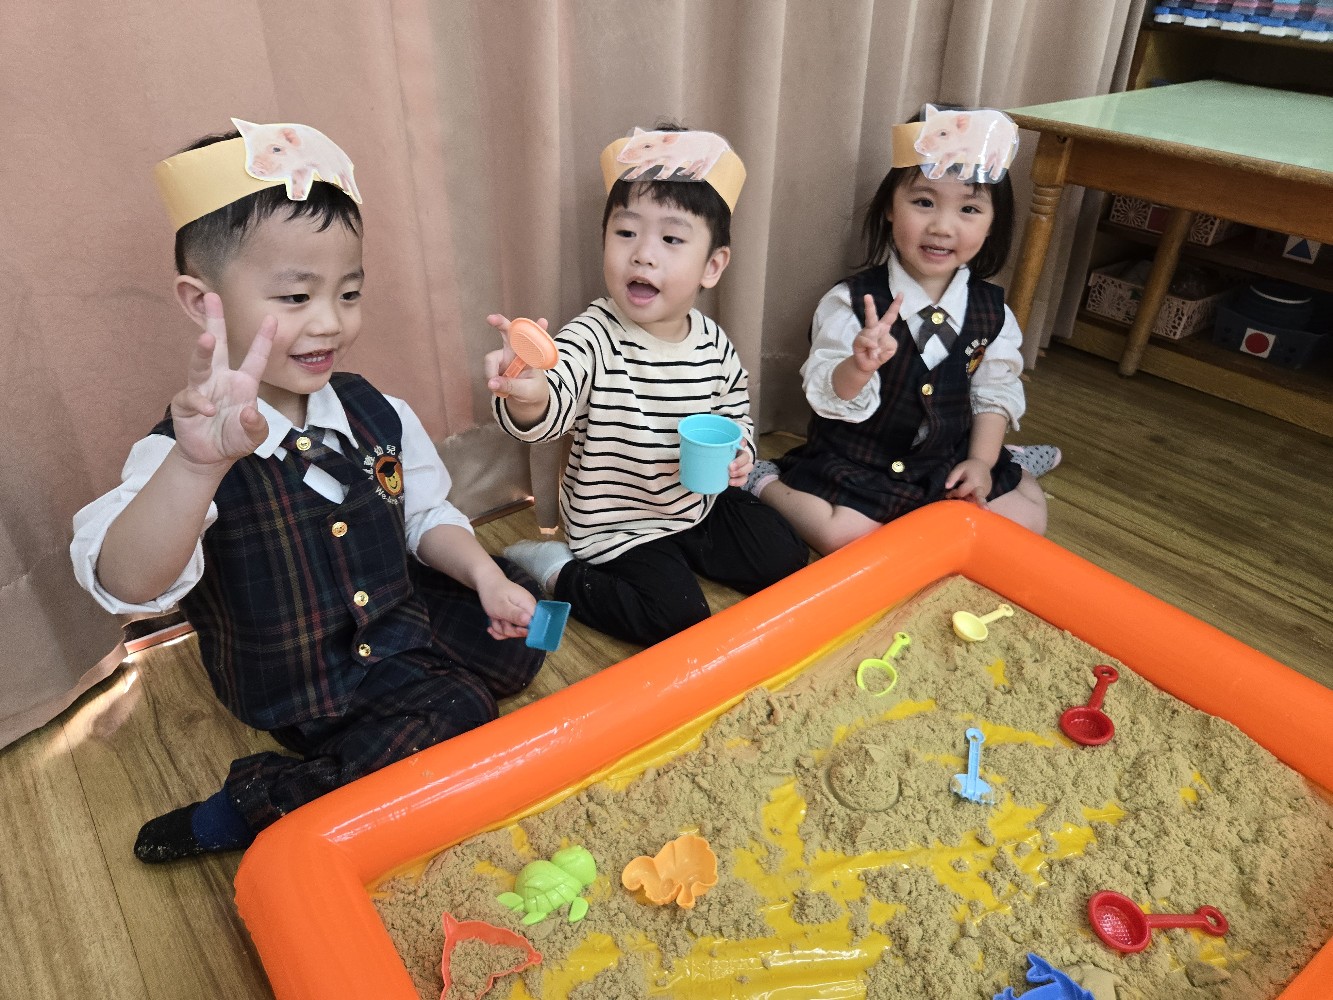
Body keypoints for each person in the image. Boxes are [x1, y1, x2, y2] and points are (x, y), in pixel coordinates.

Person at [70, 121, 545, 863]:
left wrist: (485, 575)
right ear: (202, 302)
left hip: (394, 619)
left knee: (521, 628)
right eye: (295, 295)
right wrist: (195, 468)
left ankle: (427, 684)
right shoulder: (181, 451)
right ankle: (253, 804)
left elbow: (425, 514)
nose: (330, 322)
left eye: (348, 292)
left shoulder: (377, 410)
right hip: (301, 680)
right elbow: (128, 585)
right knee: (460, 710)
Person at [485, 124, 807, 647]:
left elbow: (735, 414)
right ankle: (557, 569)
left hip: (695, 504)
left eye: (672, 239)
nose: (643, 254)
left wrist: (741, 454)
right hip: (617, 524)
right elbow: (554, 398)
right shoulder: (593, 334)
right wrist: (530, 395)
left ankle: (688, 550)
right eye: (626, 233)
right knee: (675, 617)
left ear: (712, 266)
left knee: (785, 554)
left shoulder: (713, 342)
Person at [743, 105, 1052, 555]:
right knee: (843, 538)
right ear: (890, 206)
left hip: (946, 456)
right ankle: (764, 481)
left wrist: (981, 463)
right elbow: (829, 397)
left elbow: (993, 392)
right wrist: (858, 366)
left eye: (969, 208)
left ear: (992, 225)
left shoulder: (992, 311)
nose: (942, 227)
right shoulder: (851, 302)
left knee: (1030, 520)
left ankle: (1009, 461)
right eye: (924, 202)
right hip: (863, 460)